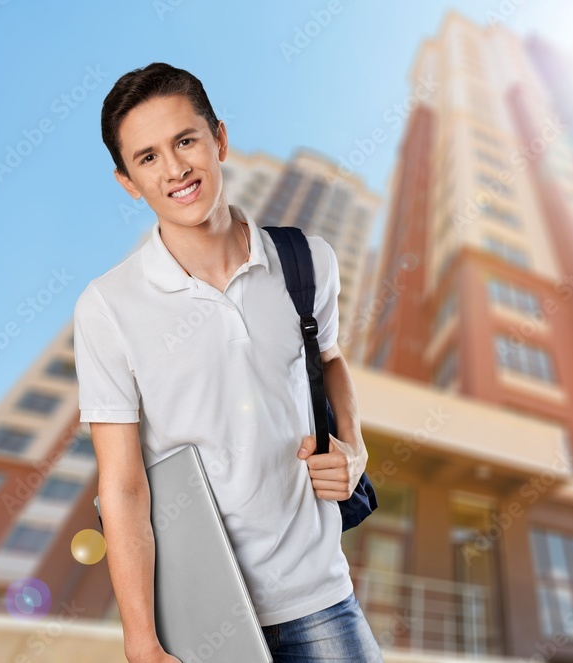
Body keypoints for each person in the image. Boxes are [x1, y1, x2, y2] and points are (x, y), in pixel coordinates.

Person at [73, 62, 383, 662]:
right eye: (148, 158)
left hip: (320, 595)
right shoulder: (108, 306)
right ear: (128, 182)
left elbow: (331, 356)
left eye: (185, 141)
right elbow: (123, 486)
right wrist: (142, 640)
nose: (175, 170)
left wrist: (354, 446)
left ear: (219, 138)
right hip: (200, 613)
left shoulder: (306, 259)